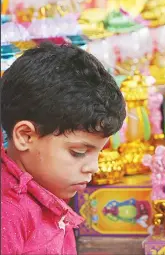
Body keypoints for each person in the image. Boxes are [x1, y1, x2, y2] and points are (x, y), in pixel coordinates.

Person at [1, 42, 126, 254]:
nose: (93, 168)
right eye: (78, 152)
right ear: (25, 136)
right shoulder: (8, 212)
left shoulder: (49, 188)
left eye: (98, 152)